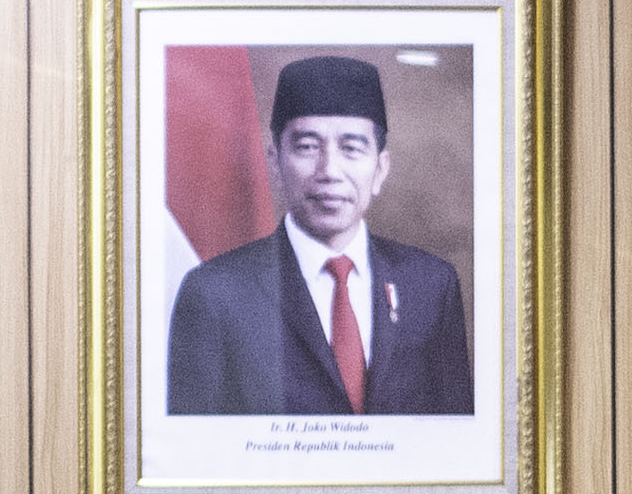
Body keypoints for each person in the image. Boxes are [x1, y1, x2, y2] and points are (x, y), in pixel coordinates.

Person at [163, 54, 476, 417]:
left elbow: (455, 442)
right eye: (308, 146)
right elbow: (195, 452)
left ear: (379, 169)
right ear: (276, 163)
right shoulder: (215, 293)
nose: (329, 171)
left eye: (352, 148)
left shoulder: (430, 285)